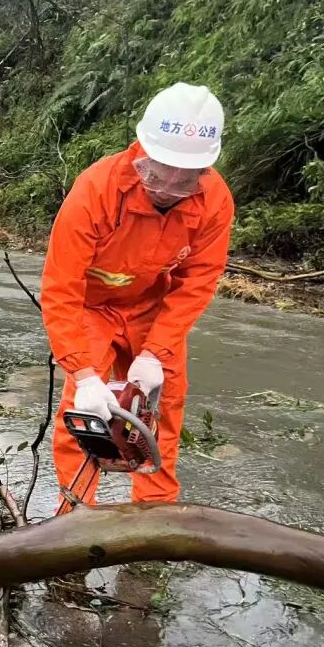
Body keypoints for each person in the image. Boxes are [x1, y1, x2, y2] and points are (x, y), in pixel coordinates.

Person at [40, 83, 234, 507]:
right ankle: (73, 516)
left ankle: (155, 514)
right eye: (160, 175)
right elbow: (61, 288)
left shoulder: (214, 200)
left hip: (153, 307)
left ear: (202, 172)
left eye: (183, 181)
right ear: (142, 155)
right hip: (92, 307)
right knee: (84, 415)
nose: (167, 189)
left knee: (161, 412)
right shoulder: (97, 190)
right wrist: (85, 373)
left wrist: (155, 353)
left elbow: (198, 281)